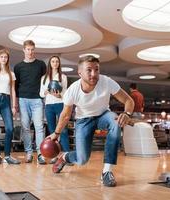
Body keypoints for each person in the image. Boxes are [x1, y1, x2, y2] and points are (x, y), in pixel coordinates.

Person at [47, 55, 134, 187]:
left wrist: (127, 113)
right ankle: (64, 157)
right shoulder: (73, 90)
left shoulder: (106, 81)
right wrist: (56, 133)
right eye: (89, 70)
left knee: (116, 122)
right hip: (83, 121)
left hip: (103, 115)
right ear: (79, 72)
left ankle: (106, 172)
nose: (94, 74)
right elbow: (65, 115)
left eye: (96, 70)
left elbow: (128, 100)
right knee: (82, 160)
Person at [14, 40, 47, 164]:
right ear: (24, 50)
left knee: (39, 127)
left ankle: (40, 154)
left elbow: (45, 82)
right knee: (25, 127)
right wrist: (16, 102)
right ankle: (28, 152)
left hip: (37, 100)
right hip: (23, 99)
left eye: (32, 49)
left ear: (35, 50)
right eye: (28, 49)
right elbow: (16, 86)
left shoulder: (41, 65)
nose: (30, 52)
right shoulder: (18, 67)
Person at [39, 56, 70, 163]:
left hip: (60, 104)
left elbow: (65, 93)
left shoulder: (63, 77)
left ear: (59, 63)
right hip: (49, 105)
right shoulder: (44, 78)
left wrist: (58, 95)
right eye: (53, 61)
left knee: (63, 130)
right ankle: (54, 155)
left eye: (57, 61)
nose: (55, 63)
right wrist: (47, 92)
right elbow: (41, 93)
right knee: (52, 130)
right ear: (50, 63)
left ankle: (66, 155)